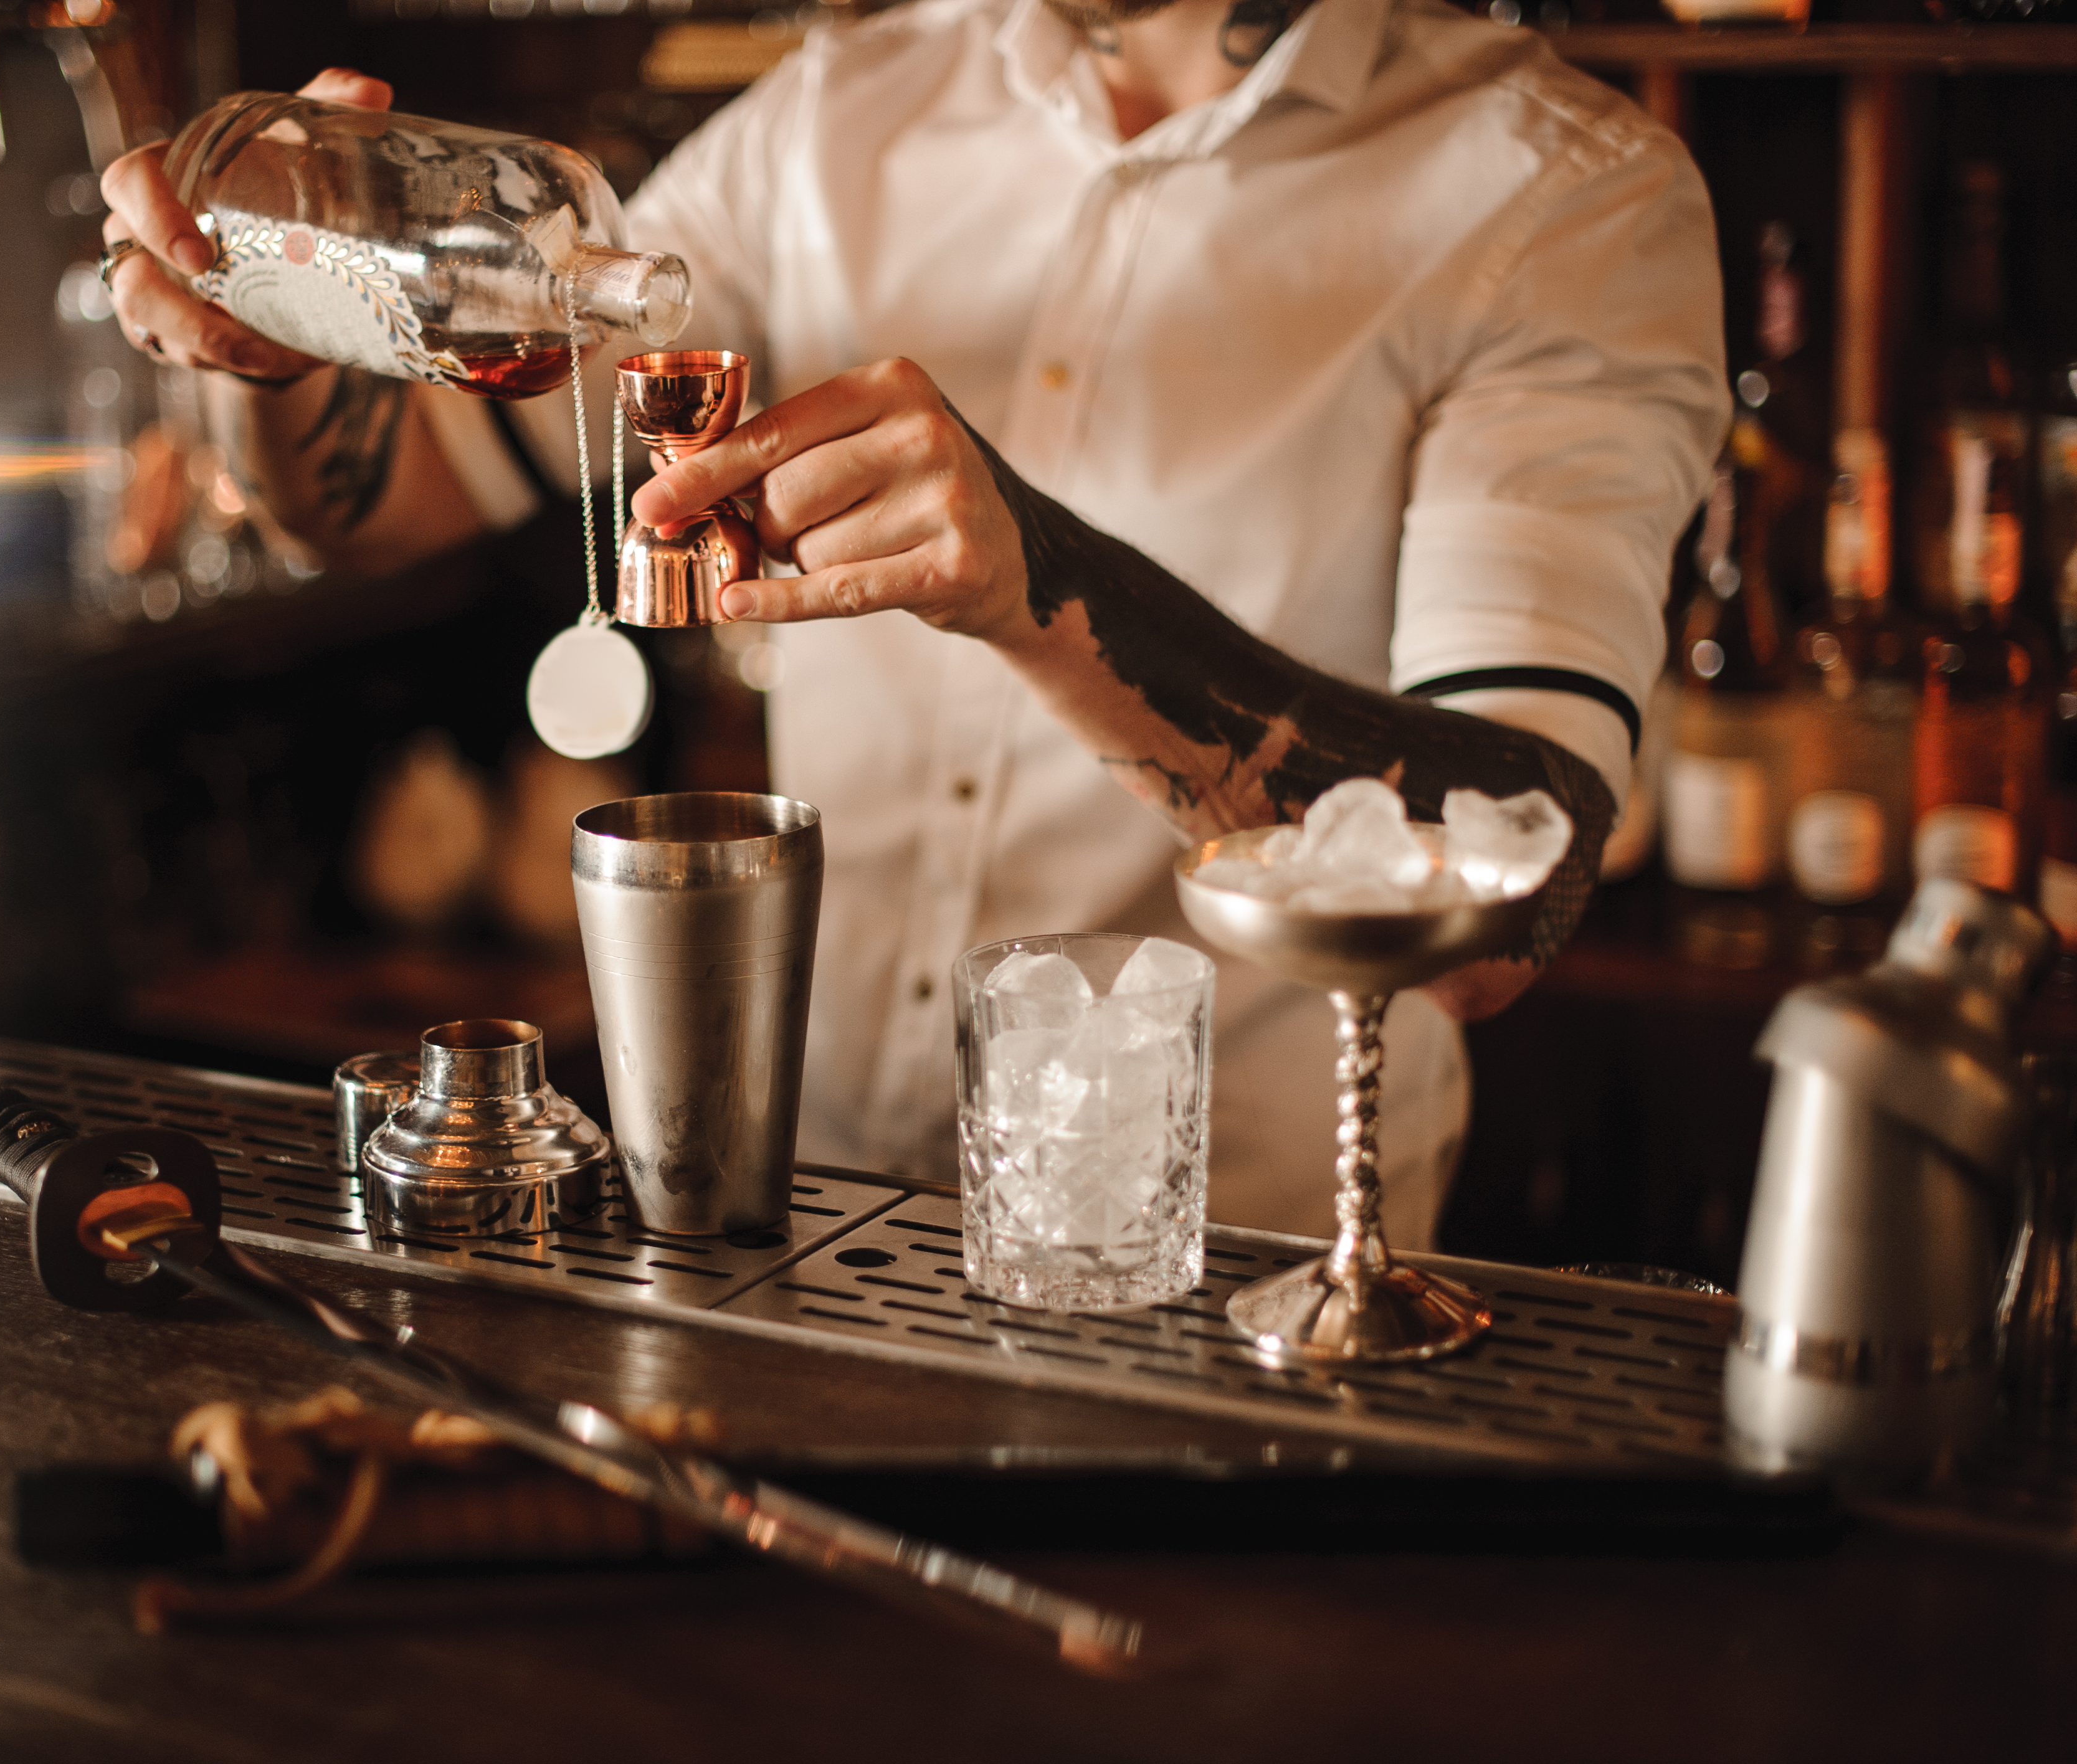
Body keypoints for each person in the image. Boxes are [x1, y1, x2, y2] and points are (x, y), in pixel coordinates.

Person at [98, 0, 1725, 1245]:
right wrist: (278, 339)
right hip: (793, 1220)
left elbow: (1518, 891)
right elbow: (391, 498)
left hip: (1227, 1268)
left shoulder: (1559, 199)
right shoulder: (840, 113)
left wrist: (1049, 594)